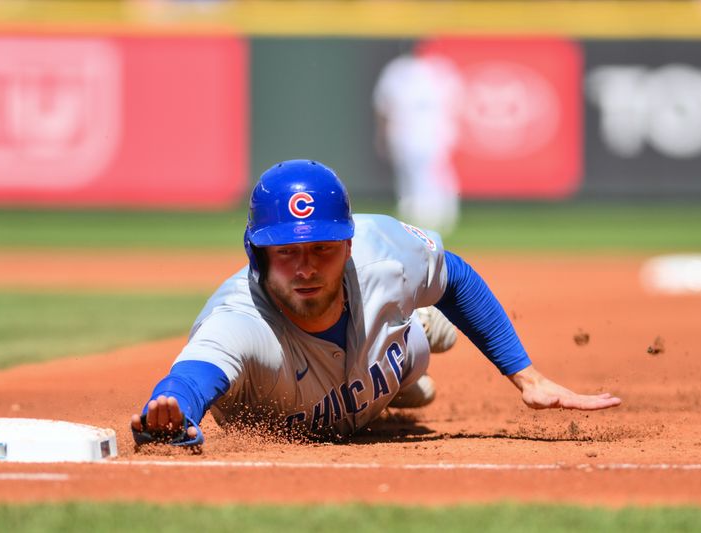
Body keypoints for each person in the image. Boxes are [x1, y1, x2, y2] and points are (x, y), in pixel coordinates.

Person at [131, 159, 621, 447]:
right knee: (410, 379)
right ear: (256, 254)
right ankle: (407, 371)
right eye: (286, 252)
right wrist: (174, 411)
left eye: (322, 249)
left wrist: (527, 378)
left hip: (386, 346)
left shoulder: (382, 249)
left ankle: (420, 323)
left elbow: (456, 276)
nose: (305, 268)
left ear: (348, 245)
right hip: (357, 378)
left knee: (418, 341)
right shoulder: (240, 320)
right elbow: (194, 374)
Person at [373, 53, 465, 236]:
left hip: (420, 132)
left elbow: (383, 106)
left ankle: (428, 218)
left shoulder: (399, 71)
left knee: (424, 176)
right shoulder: (436, 69)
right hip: (421, 132)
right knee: (423, 175)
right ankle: (423, 217)